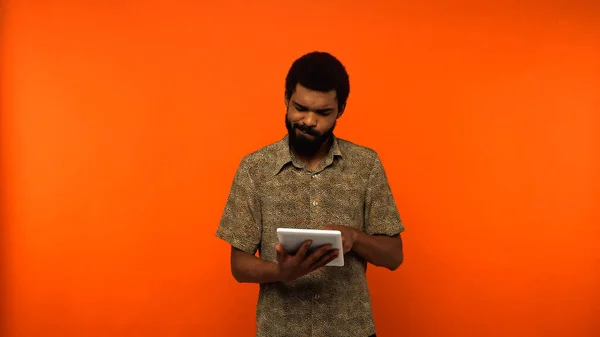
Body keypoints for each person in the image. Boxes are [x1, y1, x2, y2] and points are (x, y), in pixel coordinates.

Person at [215, 51, 405, 337]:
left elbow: (394, 256)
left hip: (351, 330)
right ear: (286, 98)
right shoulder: (255, 168)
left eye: (323, 112)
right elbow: (239, 265)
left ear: (340, 109)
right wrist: (282, 273)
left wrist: (355, 237)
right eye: (300, 107)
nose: (308, 120)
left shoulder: (366, 165)